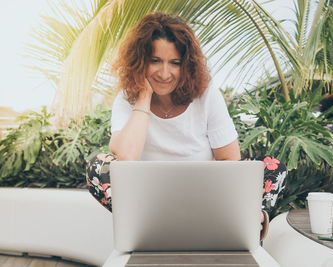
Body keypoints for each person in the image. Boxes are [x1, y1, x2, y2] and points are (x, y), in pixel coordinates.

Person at [85, 12, 287, 241]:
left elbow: (230, 160)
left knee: (273, 167)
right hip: (150, 206)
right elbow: (127, 157)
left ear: (187, 65)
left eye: (174, 63)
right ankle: (155, 229)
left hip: (207, 199)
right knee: (97, 167)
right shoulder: (126, 100)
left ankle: (249, 222)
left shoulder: (206, 95)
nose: (164, 73)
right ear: (140, 61)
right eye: (155, 61)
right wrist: (143, 98)